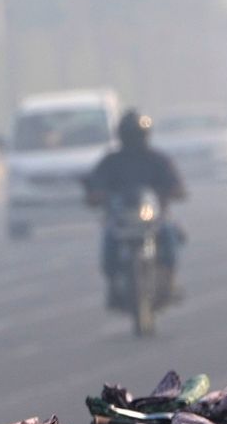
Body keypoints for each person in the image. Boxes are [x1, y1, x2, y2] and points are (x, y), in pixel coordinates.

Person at [80, 109, 186, 308]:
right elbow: (95, 184)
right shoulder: (111, 161)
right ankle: (113, 285)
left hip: (154, 215)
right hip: (120, 217)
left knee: (169, 234)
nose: (134, 139)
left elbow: (176, 185)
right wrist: (95, 194)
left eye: (137, 135)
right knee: (108, 241)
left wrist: (174, 191)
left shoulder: (158, 159)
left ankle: (170, 281)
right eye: (130, 135)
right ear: (122, 136)